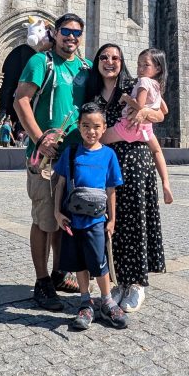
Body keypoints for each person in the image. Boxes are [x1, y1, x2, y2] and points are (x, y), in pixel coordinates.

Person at [84, 43, 172, 313]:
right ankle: (120, 280)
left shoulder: (133, 85)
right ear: (97, 62)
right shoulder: (92, 94)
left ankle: (136, 283)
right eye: (104, 57)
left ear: (122, 62)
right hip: (105, 165)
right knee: (114, 223)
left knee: (135, 220)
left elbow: (161, 111)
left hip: (134, 160)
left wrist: (145, 112)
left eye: (115, 58)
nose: (110, 62)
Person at [15, 12, 91, 311]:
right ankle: (42, 281)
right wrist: (39, 139)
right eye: (66, 31)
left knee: (63, 221)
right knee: (45, 221)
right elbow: (21, 100)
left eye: (76, 33)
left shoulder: (85, 68)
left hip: (75, 157)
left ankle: (60, 273)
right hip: (45, 158)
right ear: (55, 33)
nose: (71, 37)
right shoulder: (40, 62)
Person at [54, 103, 127, 331]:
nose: (91, 131)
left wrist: (112, 220)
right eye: (86, 126)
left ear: (104, 128)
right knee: (79, 263)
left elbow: (111, 190)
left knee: (99, 262)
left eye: (96, 126)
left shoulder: (108, 155)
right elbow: (60, 184)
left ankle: (106, 301)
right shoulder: (72, 152)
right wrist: (57, 212)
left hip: (96, 221)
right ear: (79, 126)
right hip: (73, 220)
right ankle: (86, 302)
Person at [102, 48, 166, 164]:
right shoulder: (156, 85)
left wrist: (126, 97)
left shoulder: (143, 81)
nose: (140, 69)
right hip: (146, 129)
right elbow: (165, 110)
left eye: (145, 65)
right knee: (157, 150)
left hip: (129, 125)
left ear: (158, 68)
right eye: (138, 65)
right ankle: (165, 181)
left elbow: (140, 106)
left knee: (98, 138)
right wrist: (148, 110)